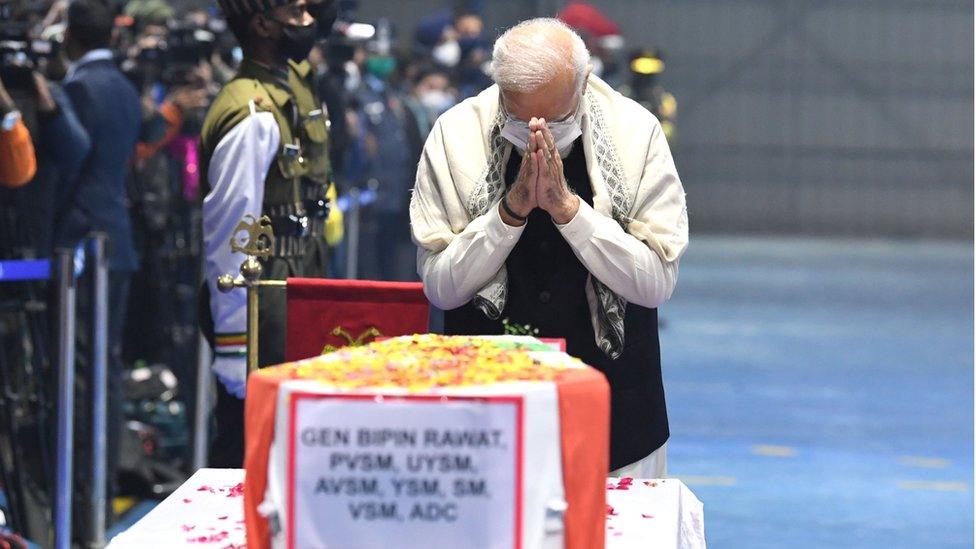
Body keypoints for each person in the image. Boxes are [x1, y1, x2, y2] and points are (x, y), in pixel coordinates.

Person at [410, 18, 688, 478]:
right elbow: (441, 288)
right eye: (521, 118)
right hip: (484, 410)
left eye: (555, 118)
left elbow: (655, 283)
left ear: (583, 83)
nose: (538, 129)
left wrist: (571, 213)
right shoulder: (455, 135)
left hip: (617, 411)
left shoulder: (636, 133)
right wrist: (508, 214)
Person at [200, 0, 341, 467]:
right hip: (261, 304)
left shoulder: (290, 86)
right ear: (261, 24)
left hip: (297, 282)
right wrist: (234, 345)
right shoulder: (250, 114)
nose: (308, 22)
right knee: (251, 450)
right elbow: (231, 234)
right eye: (296, 12)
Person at [53, 0, 143, 537]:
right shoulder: (125, 84)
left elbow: (69, 168)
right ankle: (99, 486)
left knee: (84, 369)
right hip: (116, 242)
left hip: (83, 247)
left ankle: (88, 489)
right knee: (100, 367)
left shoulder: (82, 88)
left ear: (68, 35)